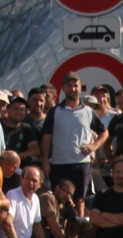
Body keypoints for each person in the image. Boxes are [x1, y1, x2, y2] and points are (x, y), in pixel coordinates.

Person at [41, 72, 106, 217]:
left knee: (79, 199)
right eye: (69, 85)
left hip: (81, 162)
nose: (72, 89)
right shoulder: (54, 111)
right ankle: (59, 232)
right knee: (58, 199)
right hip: (59, 162)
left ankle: (77, 236)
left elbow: (104, 132)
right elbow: (46, 137)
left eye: (75, 85)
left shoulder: (88, 111)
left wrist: (94, 146)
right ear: (63, 88)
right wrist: (45, 160)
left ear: (80, 88)